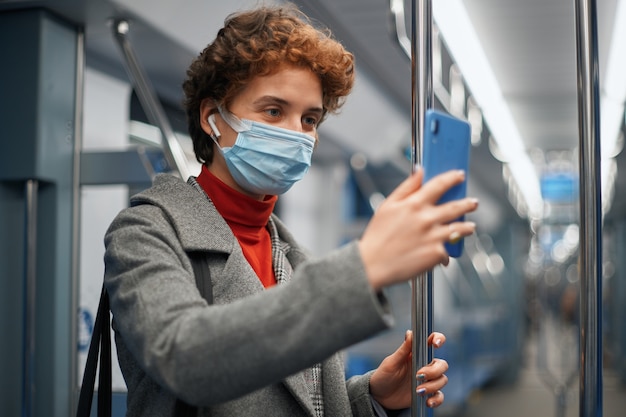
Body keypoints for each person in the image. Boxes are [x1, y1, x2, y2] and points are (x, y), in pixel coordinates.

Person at [103, 3, 479, 416]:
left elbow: (302, 401)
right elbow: (187, 359)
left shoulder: (291, 255)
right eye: (273, 111)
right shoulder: (145, 231)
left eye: (309, 119)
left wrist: (372, 395)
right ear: (213, 118)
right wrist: (364, 266)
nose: (297, 134)